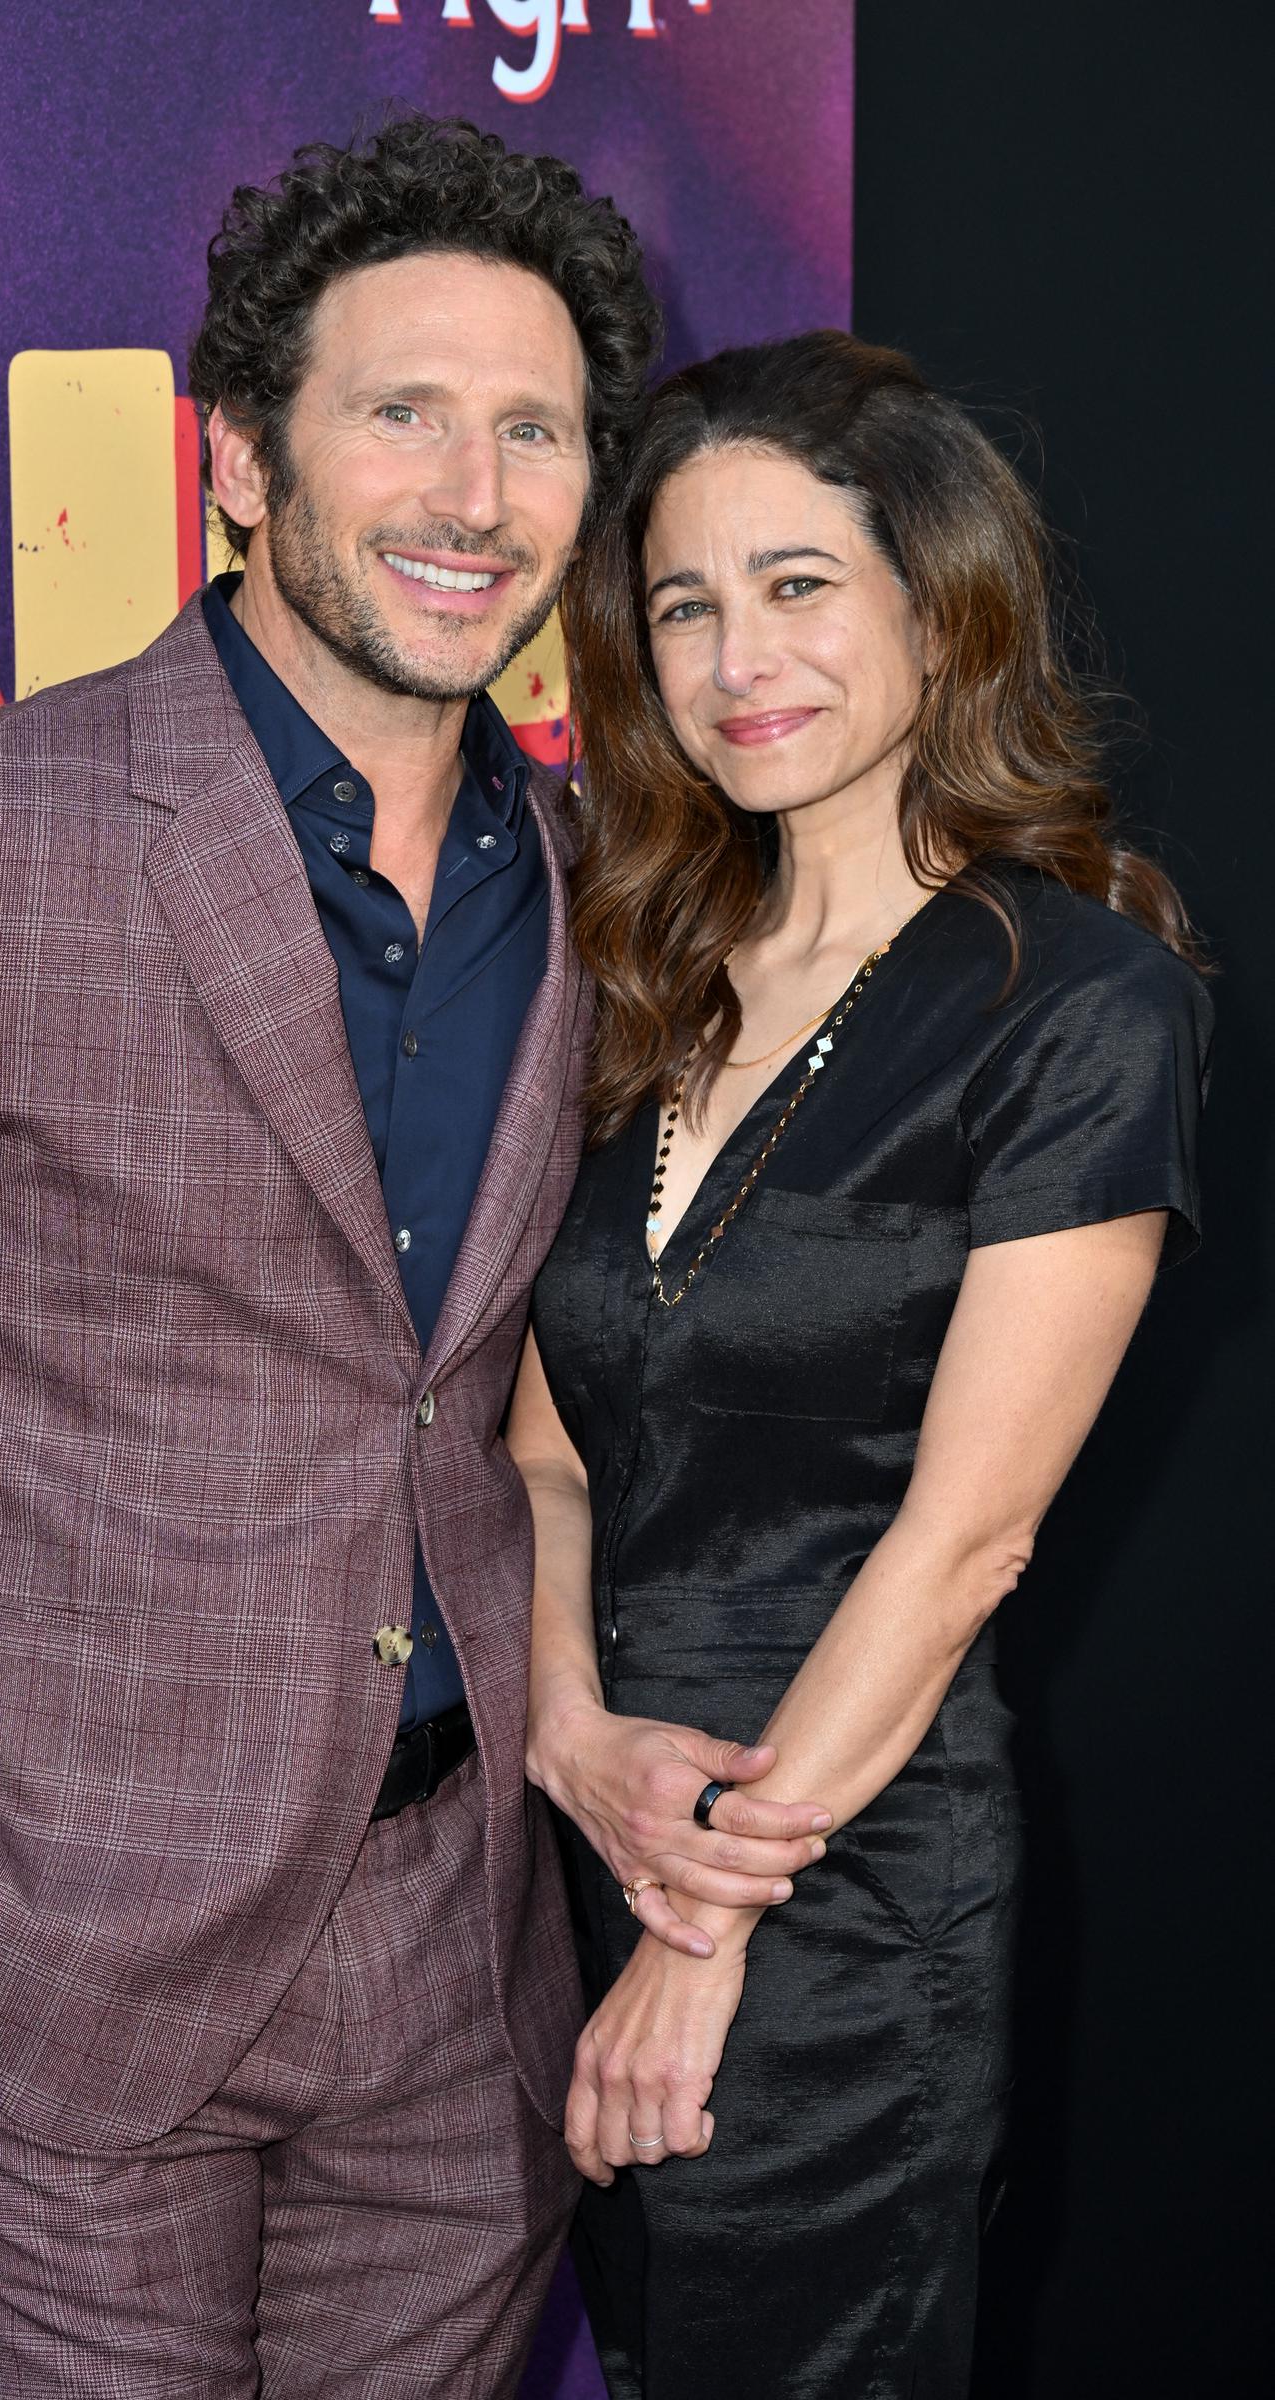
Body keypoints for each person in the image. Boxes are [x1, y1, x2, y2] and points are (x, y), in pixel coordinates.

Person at [0, 118, 827, 2399]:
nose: (475, 491)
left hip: (462, 1980)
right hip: (61, 1950)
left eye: (535, 428)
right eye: (403, 413)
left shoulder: (591, 879)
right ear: (244, 463)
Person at [506, 330, 1212, 2399]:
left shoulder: (1081, 1004)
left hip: (833, 1874)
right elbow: (551, 1452)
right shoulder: (639, 964)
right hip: (603, 1827)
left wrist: (702, 1939)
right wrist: (567, 1738)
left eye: (800, 586)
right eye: (688, 602)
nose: (742, 655)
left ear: (937, 606)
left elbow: (968, 1539)